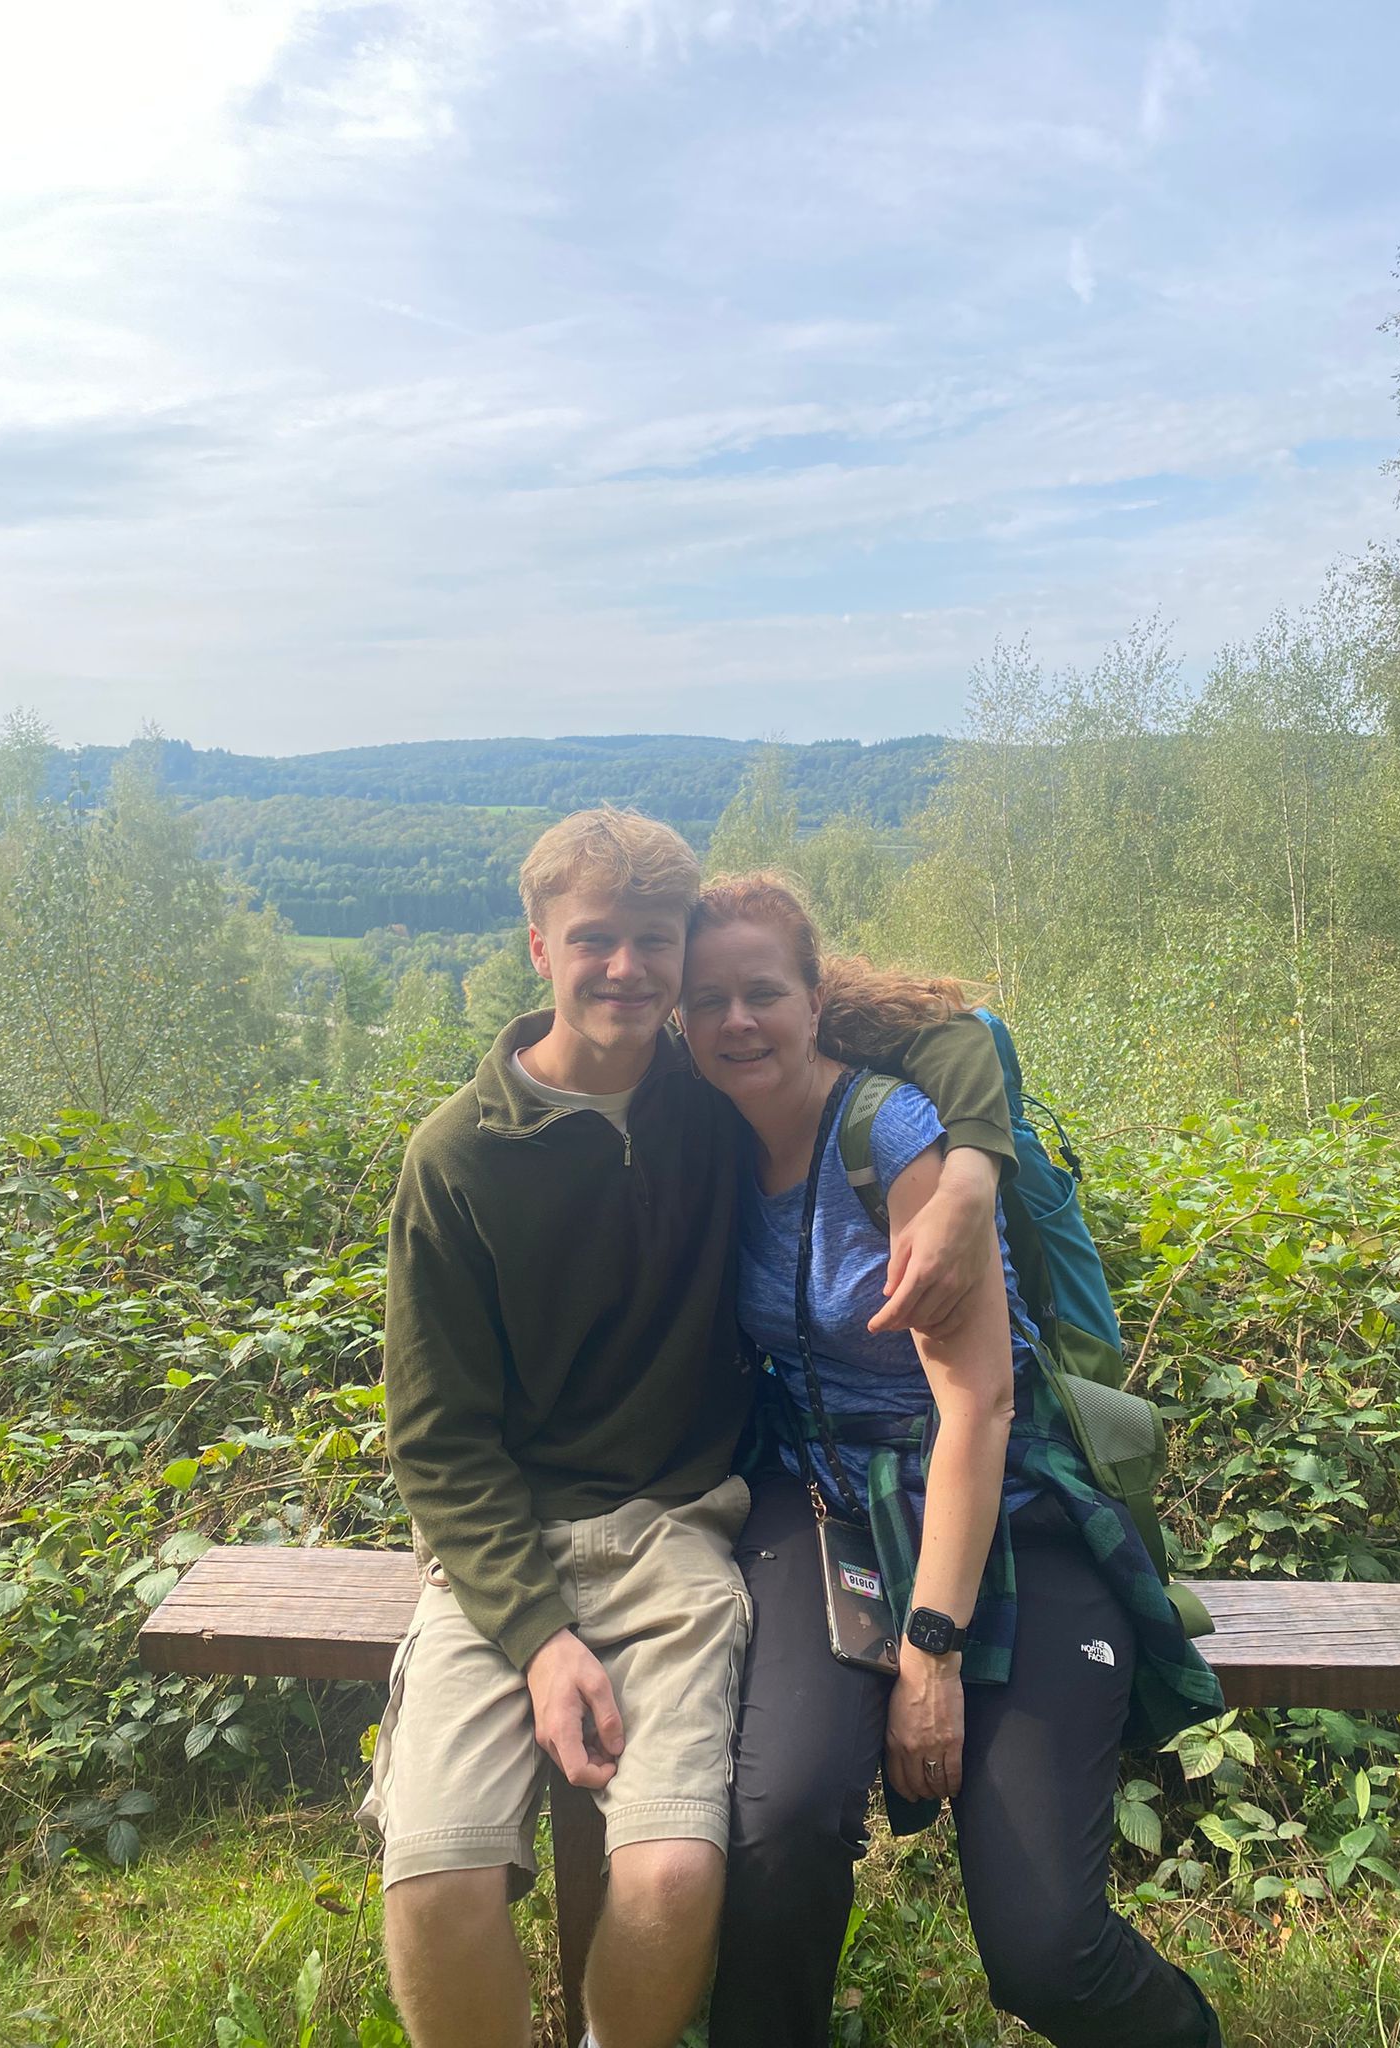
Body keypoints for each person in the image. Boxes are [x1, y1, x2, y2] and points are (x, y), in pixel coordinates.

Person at [358, 808, 1027, 2048]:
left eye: (650, 940)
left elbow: (948, 1032)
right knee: (442, 1872)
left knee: (669, 1876)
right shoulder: (457, 1159)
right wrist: (541, 1637)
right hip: (495, 1561)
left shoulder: (714, 1090)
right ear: (538, 948)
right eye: (594, 938)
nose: (626, 966)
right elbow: (437, 1442)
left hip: (680, 1530)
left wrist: (977, 1162)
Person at [678, 873, 1226, 2048]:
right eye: (707, 996)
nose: (737, 1020)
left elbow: (978, 1402)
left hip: (1002, 1508)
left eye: (762, 991)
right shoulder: (706, 1140)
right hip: (826, 1505)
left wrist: (932, 1653)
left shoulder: (894, 1134)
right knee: (778, 1821)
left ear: (814, 997)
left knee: (1049, 1952)